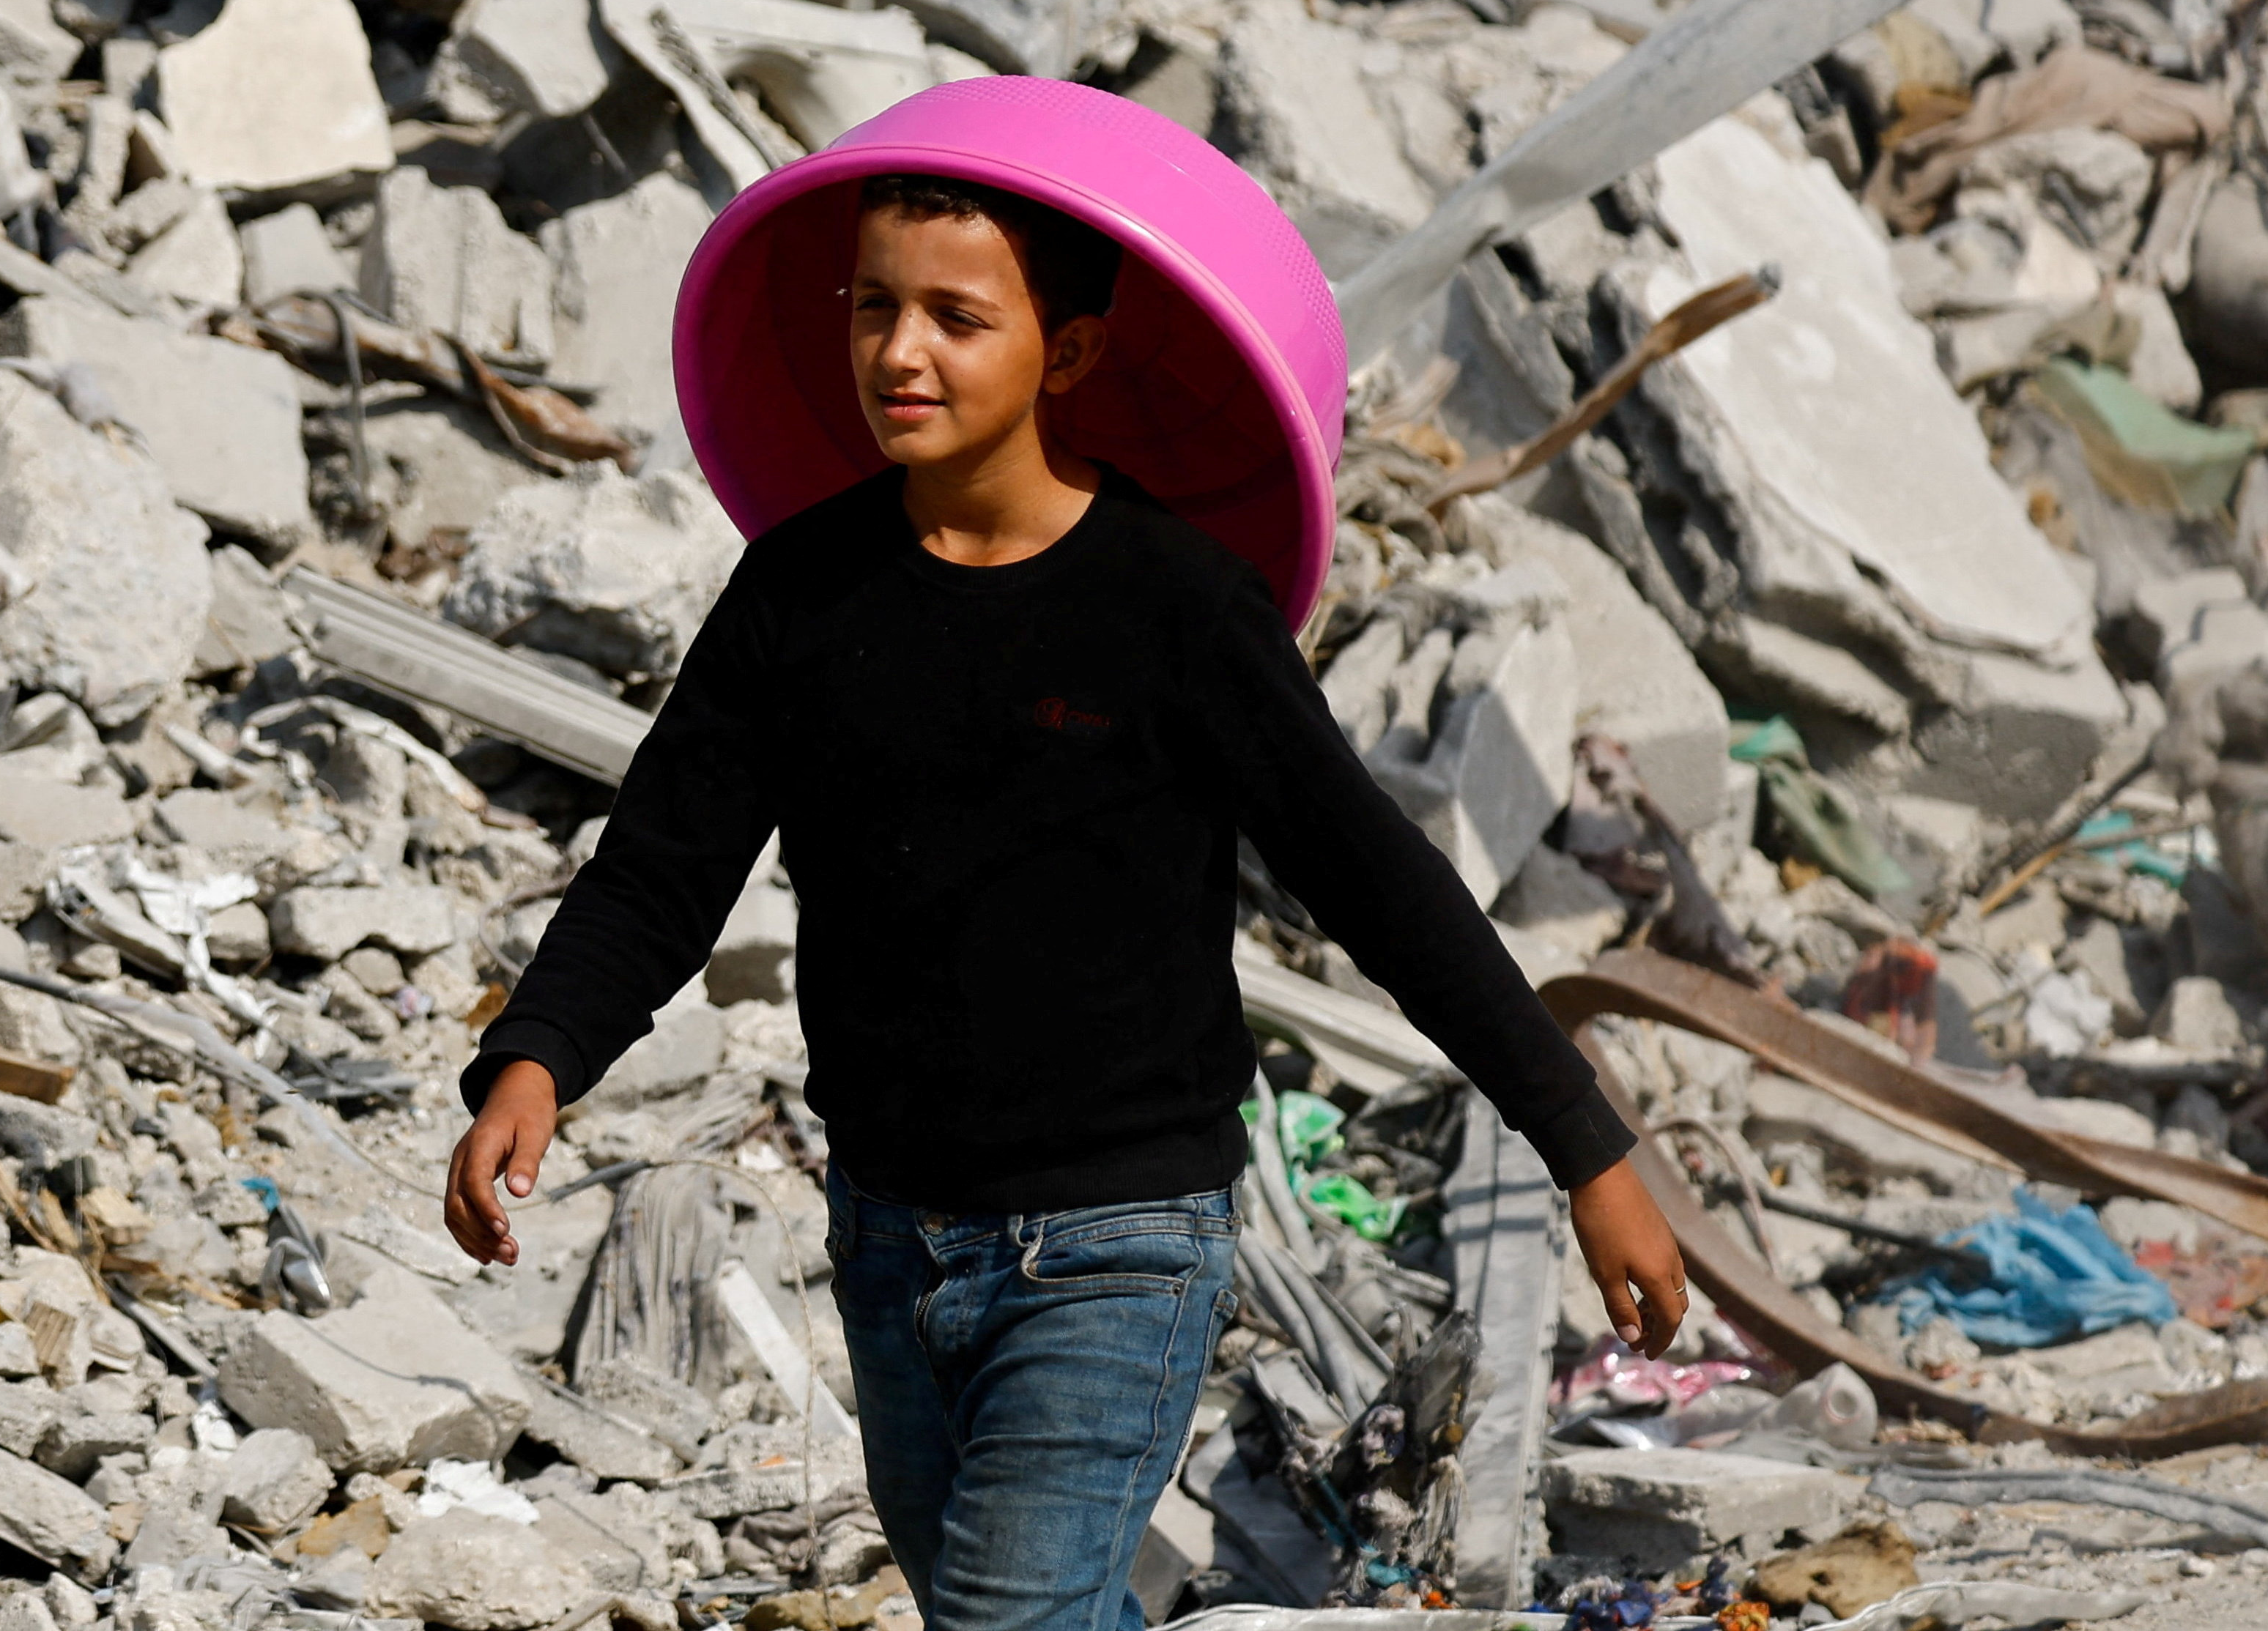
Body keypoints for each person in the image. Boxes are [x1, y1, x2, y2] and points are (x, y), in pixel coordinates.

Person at [443, 168, 1689, 1630]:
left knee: (1006, 1619)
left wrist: (1585, 1148)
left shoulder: (1178, 606)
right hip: (889, 1234)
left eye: (957, 318)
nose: (901, 352)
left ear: (1071, 350)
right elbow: (664, 862)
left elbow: (1384, 889)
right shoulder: (800, 594)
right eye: (874, 306)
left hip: (1119, 1242)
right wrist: (539, 1055)